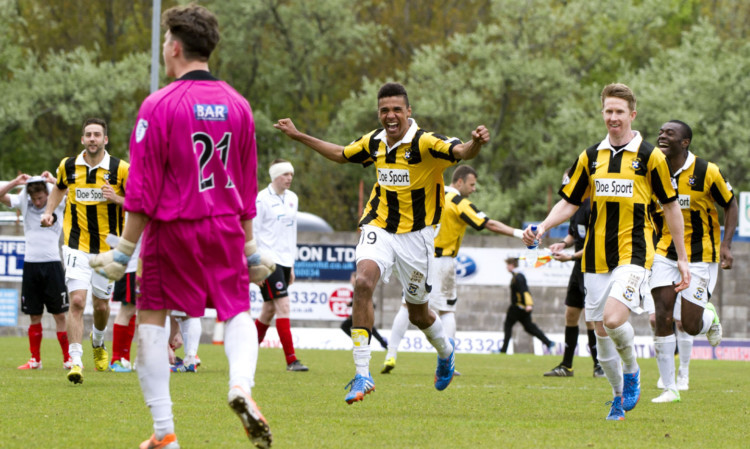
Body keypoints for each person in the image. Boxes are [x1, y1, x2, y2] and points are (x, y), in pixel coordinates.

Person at [89, 5, 273, 448]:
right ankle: (241, 387)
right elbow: (247, 183)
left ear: (174, 47)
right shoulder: (239, 105)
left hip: (173, 229)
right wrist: (250, 248)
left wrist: (123, 251)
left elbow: (143, 188)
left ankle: (163, 433)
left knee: (149, 317)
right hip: (227, 227)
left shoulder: (159, 104)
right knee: (235, 311)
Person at [274, 81, 490, 404]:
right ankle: (363, 373)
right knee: (363, 282)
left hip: (418, 238)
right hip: (379, 226)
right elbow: (340, 153)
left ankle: (446, 352)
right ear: (379, 113)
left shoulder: (425, 143)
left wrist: (475, 143)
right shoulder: (374, 142)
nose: (390, 116)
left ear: (408, 112)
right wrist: (299, 135)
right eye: (384, 110)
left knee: (419, 314)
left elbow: (460, 152)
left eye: (396, 110)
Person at [523, 83, 690, 421]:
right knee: (599, 328)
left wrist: (683, 257)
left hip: (635, 252)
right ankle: (617, 397)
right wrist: (541, 227)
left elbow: (671, 207)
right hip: (595, 256)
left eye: (619, 112)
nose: (613, 117)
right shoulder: (590, 156)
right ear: (603, 114)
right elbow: (569, 202)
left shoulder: (650, 156)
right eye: (608, 111)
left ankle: (632, 372)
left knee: (613, 319)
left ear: (632, 114)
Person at [382, 164, 524, 373]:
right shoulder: (458, 202)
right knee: (447, 310)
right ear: (459, 182)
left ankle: (390, 355)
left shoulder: (430, 194)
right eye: (471, 184)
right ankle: (448, 360)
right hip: (442, 262)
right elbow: (488, 224)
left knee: (406, 306)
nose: (473, 189)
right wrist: (519, 233)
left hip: (418, 259)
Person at [649, 120, 737, 403]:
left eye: (669, 133)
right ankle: (670, 387)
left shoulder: (706, 171)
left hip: (701, 256)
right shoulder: (653, 170)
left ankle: (708, 318)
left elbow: (730, 204)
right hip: (665, 253)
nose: (662, 136)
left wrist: (726, 244)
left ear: (684, 142)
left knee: (689, 324)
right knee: (660, 315)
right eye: (660, 132)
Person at [41, 117, 129, 383]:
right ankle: (75, 361)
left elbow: (141, 202)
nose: (92, 139)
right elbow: (58, 188)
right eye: (88, 134)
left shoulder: (121, 169)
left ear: (105, 140)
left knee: (101, 305)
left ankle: (98, 341)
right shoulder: (68, 166)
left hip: (108, 248)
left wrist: (117, 198)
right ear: (82, 140)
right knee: (77, 301)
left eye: (97, 135)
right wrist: (48, 212)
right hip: (75, 244)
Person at [1, 172, 70, 370]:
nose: (38, 202)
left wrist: (54, 181)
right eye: (34, 198)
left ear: (47, 195)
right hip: (31, 265)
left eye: (41, 198)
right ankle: (35, 360)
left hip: (53, 264)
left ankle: (67, 359)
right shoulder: (24, 202)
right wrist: (15, 182)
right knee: (34, 315)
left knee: (59, 315)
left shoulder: (58, 200)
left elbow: (72, 191)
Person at [253, 159, 308, 372]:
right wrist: (255, 265)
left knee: (268, 311)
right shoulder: (261, 199)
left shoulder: (293, 198)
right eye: (285, 174)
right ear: (275, 176)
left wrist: (292, 265)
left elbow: (290, 234)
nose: (290, 178)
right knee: (283, 306)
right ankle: (291, 360)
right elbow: (254, 234)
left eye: (291, 175)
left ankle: (247, 354)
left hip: (285, 262)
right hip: (267, 261)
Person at [544, 190, 604, 378]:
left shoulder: (593, 206)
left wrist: (570, 257)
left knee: (590, 318)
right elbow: (573, 234)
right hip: (578, 269)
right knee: (571, 314)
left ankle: (599, 366)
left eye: (567, 182)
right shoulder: (574, 206)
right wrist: (562, 244)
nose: (565, 186)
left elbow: (594, 245)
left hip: (592, 267)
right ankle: (566, 366)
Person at [498, 257, 555, 353]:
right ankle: (549, 343)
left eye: (507, 265)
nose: (506, 267)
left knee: (508, 325)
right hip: (521, 308)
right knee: (529, 328)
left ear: (512, 265)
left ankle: (503, 350)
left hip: (518, 307)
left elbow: (524, 291)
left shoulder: (518, 277)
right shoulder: (516, 276)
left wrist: (529, 304)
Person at [108, 235, 141, 373]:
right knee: (127, 310)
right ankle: (116, 359)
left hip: (140, 267)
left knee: (134, 311)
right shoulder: (134, 214)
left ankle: (125, 358)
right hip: (132, 268)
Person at [341, 272, 388, 349]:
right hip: (363, 312)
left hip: (363, 312)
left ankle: (360, 343)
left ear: (355, 279)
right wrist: (350, 304)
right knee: (370, 329)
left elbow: (361, 301)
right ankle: (383, 343)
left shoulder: (359, 289)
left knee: (345, 326)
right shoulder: (357, 289)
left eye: (351, 278)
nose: (350, 280)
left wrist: (350, 305)